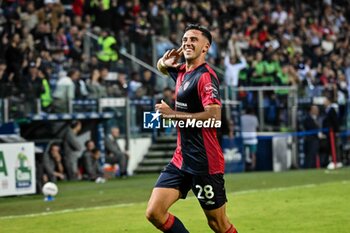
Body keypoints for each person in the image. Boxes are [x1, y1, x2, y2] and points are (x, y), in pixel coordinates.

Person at [146, 24, 238, 233]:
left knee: (218, 224)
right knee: (154, 212)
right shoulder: (181, 73)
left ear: (205, 48)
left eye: (194, 40)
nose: (187, 42)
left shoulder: (205, 76)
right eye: (185, 39)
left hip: (204, 162)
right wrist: (162, 63)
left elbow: (214, 117)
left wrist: (172, 115)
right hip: (181, 159)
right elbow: (162, 67)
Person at [241, 107, 259, 171]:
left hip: (244, 137)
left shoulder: (242, 117)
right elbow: (257, 126)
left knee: (244, 153)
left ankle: (244, 166)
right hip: (252, 137)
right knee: (253, 153)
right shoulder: (254, 118)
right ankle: (253, 166)